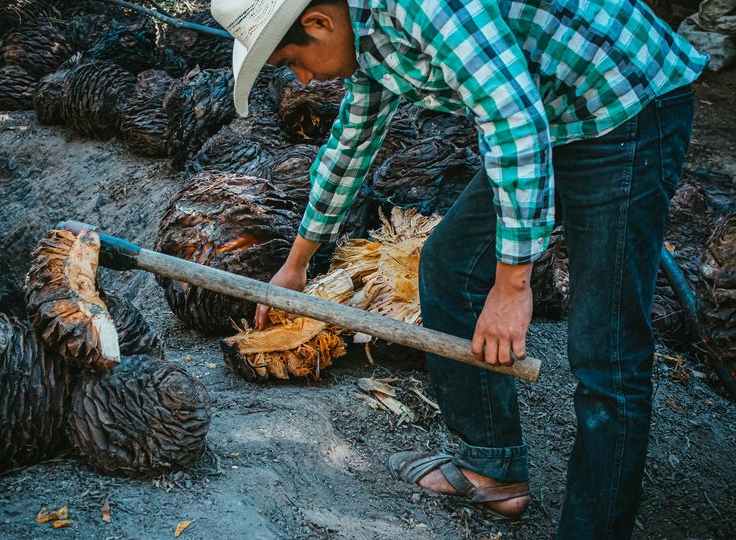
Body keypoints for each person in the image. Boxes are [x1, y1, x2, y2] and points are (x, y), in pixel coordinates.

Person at [211, 0, 707, 537]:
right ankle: (491, 468)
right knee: (448, 264)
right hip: (551, 117)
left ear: (318, 23)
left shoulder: (425, 8)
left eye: (292, 63)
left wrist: (512, 284)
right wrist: (295, 266)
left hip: (626, 105)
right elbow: (351, 144)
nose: (302, 78)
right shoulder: (366, 35)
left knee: (604, 345)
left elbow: (512, 121)